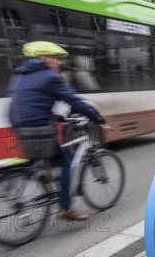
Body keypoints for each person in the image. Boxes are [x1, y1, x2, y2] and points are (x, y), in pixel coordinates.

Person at [8, 41, 105, 221]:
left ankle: (44, 172)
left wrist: (54, 117)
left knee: (43, 156)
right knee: (66, 162)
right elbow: (74, 101)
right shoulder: (49, 77)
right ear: (43, 58)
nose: (59, 63)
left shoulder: (19, 75)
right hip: (39, 131)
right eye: (56, 58)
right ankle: (65, 207)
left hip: (20, 130)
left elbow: (31, 103)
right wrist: (97, 117)